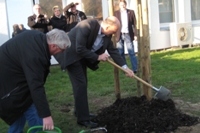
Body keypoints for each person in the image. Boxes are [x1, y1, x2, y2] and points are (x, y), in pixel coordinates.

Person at [54, 16, 134, 128]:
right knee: (80, 85)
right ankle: (83, 119)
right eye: (114, 30)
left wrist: (125, 67)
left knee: (82, 84)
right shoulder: (86, 25)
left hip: (81, 57)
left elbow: (113, 51)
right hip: (71, 55)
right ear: (106, 26)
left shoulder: (107, 34)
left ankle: (80, 112)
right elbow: (79, 48)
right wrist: (98, 57)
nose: (115, 33)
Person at [0, 29, 71, 133]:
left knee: (20, 111)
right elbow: (36, 86)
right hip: (7, 86)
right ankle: (39, 129)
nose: (62, 52)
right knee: (25, 108)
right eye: (62, 50)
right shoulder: (35, 55)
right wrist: (46, 115)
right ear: (53, 46)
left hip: (14, 80)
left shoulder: (38, 37)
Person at [114, 0, 138, 73]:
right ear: (119, 6)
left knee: (131, 52)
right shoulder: (116, 13)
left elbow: (134, 24)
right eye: (121, 5)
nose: (122, 6)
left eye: (123, 4)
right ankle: (124, 69)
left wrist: (135, 35)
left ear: (126, 4)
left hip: (128, 34)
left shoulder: (131, 12)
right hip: (119, 34)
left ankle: (135, 68)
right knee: (120, 52)